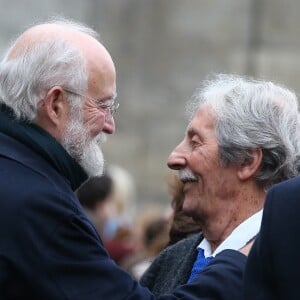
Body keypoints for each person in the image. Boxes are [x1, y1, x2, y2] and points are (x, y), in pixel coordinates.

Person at [0, 18, 246, 300]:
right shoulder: (40, 206)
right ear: (56, 104)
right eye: (103, 105)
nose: (110, 125)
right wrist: (238, 259)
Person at [140, 74, 300, 296]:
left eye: (195, 143)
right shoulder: (169, 261)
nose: (173, 158)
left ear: (247, 161)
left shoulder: (289, 265)